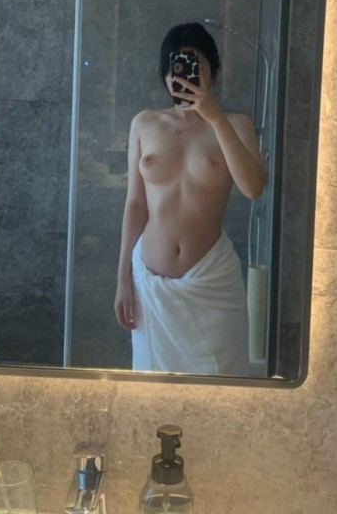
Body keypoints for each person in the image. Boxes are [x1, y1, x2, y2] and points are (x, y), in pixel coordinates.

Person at [114, 22, 266, 375]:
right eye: (174, 65)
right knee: (152, 389)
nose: (180, 74)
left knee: (221, 385)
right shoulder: (144, 123)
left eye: (194, 64)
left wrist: (214, 118)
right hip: (150, 284)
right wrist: (122, 279)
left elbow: (253, 188)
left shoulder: (235, 124)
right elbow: (135, 205)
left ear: (212, 70)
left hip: (212, 284)